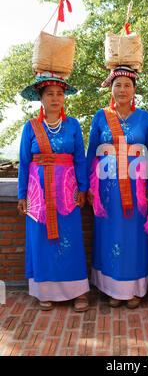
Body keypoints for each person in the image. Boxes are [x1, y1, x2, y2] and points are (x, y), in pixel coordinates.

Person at [18, 73, 89, 312]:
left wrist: (83, 188)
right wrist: (21, 195)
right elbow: (24, 162)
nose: (55, 98)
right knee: (42, 240)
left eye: (59, 94)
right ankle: (44, 292)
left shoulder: (73, 125)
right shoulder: (30, 127)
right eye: (50, 94)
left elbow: (80, 158)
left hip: (67, 194)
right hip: (38, 196)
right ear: (41, 98)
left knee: (71, 239)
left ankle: (77, 291)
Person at [87, 66, 148, 309]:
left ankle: (133, 289)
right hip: (106, 189)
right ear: (111, 89)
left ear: (134, 90)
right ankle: (111, 289)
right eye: (118, 85)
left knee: (134, 235)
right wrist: (87, 185)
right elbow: (91, 152)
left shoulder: (145, 118)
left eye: (127, 85)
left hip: (137, 189)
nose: (123, 90)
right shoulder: (100, 116)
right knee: (109, 234)